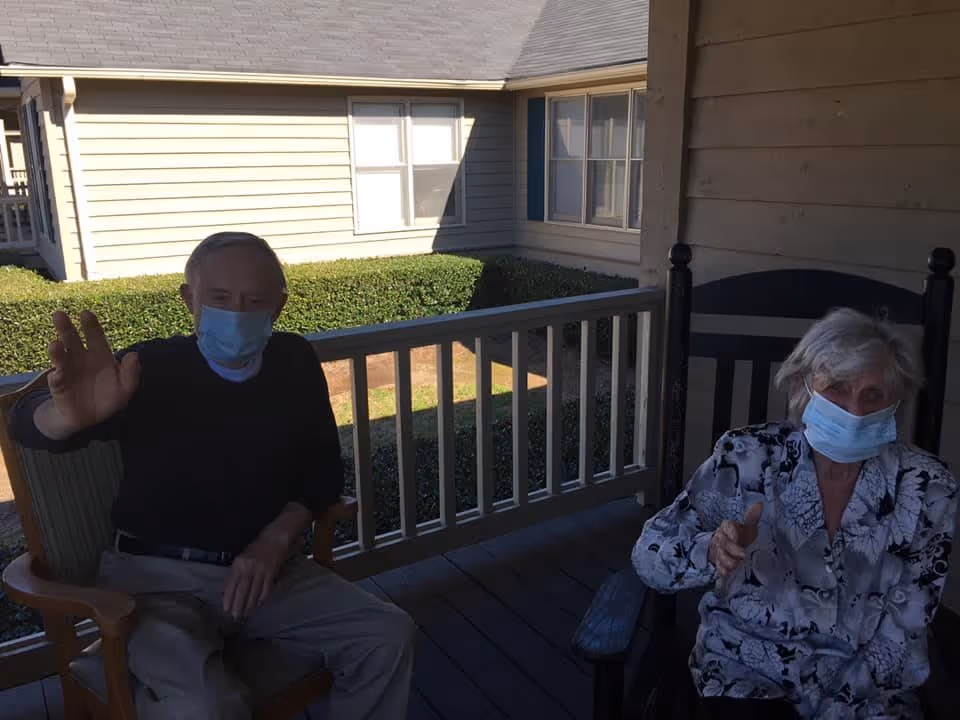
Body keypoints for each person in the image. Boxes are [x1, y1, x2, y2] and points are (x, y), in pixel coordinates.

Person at [8, 231, 415, 720]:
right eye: (220, 298)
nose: (237, 313)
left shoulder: (293, 361)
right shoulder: (149, 368)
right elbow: (25, 424)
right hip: (155, 585)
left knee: (387, 634)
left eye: (255, 300)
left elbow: (322, 468)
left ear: (279, 306)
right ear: (189, 300)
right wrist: (67, 418)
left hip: (268, 573)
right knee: (205, 708)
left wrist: (274, 541)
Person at [632, 308, 959, 720]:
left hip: (864, 695)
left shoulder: (927, 488)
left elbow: (906, 625)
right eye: (838, 388)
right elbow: (650, 553)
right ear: (805, 388)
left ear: (895, 403)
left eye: (873, 395)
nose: (855, 411)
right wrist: (710, 551)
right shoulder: (746, 458)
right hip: (746, 676)